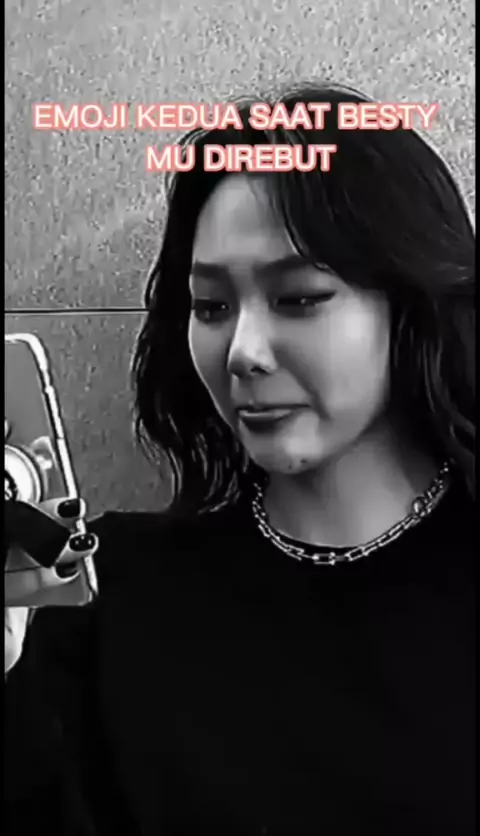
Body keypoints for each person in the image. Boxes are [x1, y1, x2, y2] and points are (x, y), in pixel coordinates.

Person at [5, 82, 475, 836]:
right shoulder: (102, 594)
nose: (243, 352)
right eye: (212, 307)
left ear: (410, 304)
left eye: (299, 298)